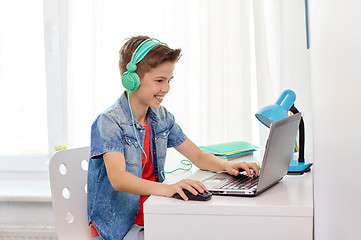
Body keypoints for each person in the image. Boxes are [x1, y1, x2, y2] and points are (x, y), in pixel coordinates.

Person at [87, 35, 259, 240]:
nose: (166, 88)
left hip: (154, 212)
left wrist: (227, 166)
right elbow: (118, 179)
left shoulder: (161, 117)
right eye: (159, 80)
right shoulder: (109, 121)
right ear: (131, 79)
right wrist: (168, 189)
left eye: (168, 81)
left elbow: (198, 156)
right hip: (121, 225)